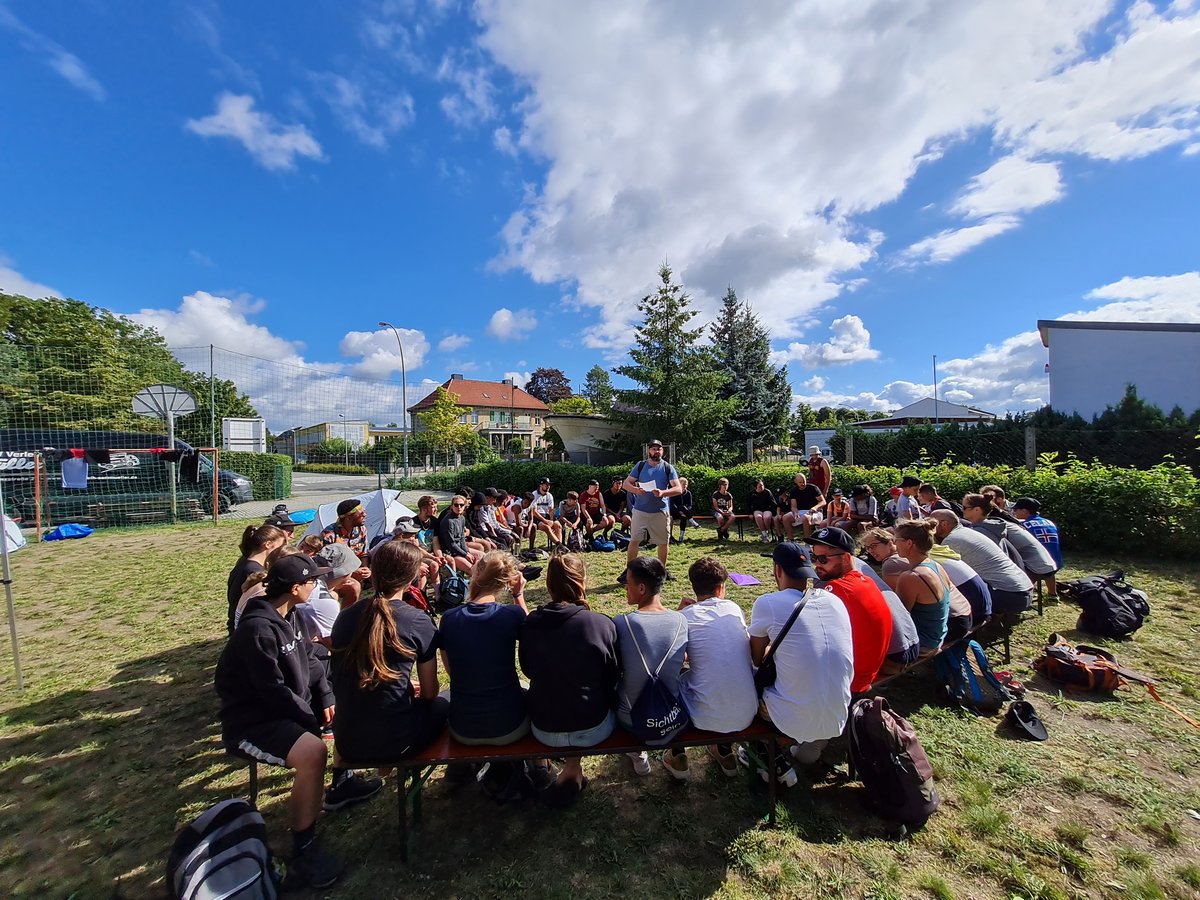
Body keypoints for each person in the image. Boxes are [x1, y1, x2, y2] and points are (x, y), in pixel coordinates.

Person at [214, 554, 383, 889]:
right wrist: (312, 719)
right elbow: (271, 691)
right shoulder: (257, 631)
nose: (316, 585)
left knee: (347, 705)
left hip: (289, 710)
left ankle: (343, 781)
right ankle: (303, 850)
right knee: (312, 752)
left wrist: (327, 698)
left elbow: (310, 659)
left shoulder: (290, 615)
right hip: (254, 722)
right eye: (311, 581)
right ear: (294, 588)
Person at [329, 541, 447, 768]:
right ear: (413, 575)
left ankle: (343, 781)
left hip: (347, 739)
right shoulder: (416, 620)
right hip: (397, 741)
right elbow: (430, 692)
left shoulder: (345, 617)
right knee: (445, 703)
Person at [519, 554, 619, 806]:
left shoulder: (531, 623)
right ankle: (572, 768)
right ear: (582, 582)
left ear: (549, 586)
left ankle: (567, 769)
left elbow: (528, 670)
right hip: (593, 726)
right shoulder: (600, 623)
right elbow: (612, 675)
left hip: (544, 727)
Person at [749, 543, 853, 781]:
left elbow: (756, 658)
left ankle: (763, 753)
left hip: (790, 719)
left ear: (777, 570)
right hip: (838, 714)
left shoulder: (768, 603)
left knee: (745, 682)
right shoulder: (834, 600)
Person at [664, 557, 758, 780]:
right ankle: (723, 750)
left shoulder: (686, 616)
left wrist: (677, 616)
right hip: (747, 711)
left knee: (671, 679)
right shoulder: (734, 609)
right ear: (721, 587)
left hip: (705, 716)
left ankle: (677, 755)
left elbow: (672, 659)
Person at [616, 556, 688, 774]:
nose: (625, 587)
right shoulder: (681, 620)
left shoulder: (622, 622)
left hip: (632, 720)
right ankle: (677, 755)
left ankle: (637, 755)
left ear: (641, 587)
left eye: (627, 582)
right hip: (671, 716)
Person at [805, 527, 892, 692]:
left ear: (846, 558)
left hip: (848, 682)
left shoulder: (837, 589)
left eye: (823, 559)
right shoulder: (866, 581)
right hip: (866, 673)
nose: (816, 564)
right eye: (813, 557)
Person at [929, 510, 1033, 618]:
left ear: (944, 524)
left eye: (932, 523)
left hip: (1011, 596)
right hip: (1024, 589)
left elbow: (944, 572)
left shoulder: (952, 541)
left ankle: (967, 623)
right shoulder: (967, 532)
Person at [620, 440, 682, 583]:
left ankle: (661, 571)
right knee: (634, 540)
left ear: (663, 452)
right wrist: (636, 490)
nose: (657, 451)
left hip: (660, 511)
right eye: (654, 449)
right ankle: (630, 571)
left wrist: (663, 493)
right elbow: (626, 484)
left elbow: (678, 489)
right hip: (640, 511)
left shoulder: (668, 467)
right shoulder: (640, 466)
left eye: (659, 449)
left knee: (663, 542)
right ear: (649, 451)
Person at [888, 520, 953, 655]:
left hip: (924, 643)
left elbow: (899, 618)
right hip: (938, 635)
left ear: (909, 543)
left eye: (896, 539)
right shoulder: (935, 565)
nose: (894, 544)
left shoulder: (911, 577)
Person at [963, 493, 1058, 583]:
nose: (962, 510)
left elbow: (993, 557)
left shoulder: (986, 528)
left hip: (1034, 568)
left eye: (964, 507)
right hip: (1045, 565)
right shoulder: (996, 523)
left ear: (977, 510)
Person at [227, 523, 287, 633]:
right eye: (280, 546)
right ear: (268, 544)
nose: (282, 550)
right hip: (245, 629)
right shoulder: (255, 573)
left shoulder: (243, 562)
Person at [1012, 497, 1062, 599]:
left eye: (1016, 510)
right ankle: (1053, 595)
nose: (1014, 512)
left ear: (1025, 511)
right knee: (1048, 567)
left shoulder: (1022, 525)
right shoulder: (1049, 522)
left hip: (1036, 567)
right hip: (1056, 563)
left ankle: (1027, 594)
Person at [438, 495, 481, 575]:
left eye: (461, 505)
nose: (459, 507)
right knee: (473, 570)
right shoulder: (448, 521)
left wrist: (467, 552)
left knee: (482, 556)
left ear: (465, 506)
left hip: (460, 549)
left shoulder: (462, 518)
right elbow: (451, 544)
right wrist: (465, 554)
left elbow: (461, 538)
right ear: (452, 506)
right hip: (450, 552)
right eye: (456, 505)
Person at [783, 472, 825, 540]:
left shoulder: (813, 488)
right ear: (795, 482)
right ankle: (791, 540)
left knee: (806, 518)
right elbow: (793, 506)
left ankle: (807, 542)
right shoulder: (793, 491)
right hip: (800, 511)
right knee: (785, 518)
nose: (803, 484)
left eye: (804, 481)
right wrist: (795, 513)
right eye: (800, 482)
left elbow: (823, 501)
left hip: (815, 512)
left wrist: (815, 507)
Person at [529, 477, 564, 550]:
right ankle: (559, 545)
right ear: (541, 485)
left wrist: (551, 520)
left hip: (547, 516)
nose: (548, 487)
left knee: (558, 526)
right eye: (546, 485)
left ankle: (559, 547)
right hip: (537, 517)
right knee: (547, 527)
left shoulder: (549, 495)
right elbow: (534, 511)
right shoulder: (534, 494)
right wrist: (545, 521)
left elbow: (551, 510)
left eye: (549, 485)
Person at [747, 478, 777, 543]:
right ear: (756, 487)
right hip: (757, 510)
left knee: (767, 517)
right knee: (758, 517)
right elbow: (749, 504)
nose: (762, 487)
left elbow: (773, 503)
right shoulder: (752, 494)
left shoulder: (767, 492)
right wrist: (750, 513)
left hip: (767, 509)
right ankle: (764, 534)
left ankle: (766, 533)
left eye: (762, 485)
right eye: (760, 486)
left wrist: (774, 514)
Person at [670, 476, 695, 542]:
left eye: (686, 484)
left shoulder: (688, 493)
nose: (685, 486)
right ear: (679, 484)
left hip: (684, 512)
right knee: (681, 507)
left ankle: (681, 536)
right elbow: (672, 505)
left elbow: (690, 505)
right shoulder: (674, 492)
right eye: (683, 484)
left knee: (684, 515)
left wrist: (685, 512)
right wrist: (679, 511)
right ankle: (692, 521)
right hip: (674, 512)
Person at [711, 477, 736, 542]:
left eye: (726, 484)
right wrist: (722, 512)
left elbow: (731, 506)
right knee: (720, 518)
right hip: (717, 510)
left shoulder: (728, 495)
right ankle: (724, 532)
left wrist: (729, 511)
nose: (725, 486)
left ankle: (721, 530)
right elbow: (715, 506)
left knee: (732, 517)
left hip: (726, 510)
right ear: (720, 485)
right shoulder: (716, 494)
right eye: (724, 485)